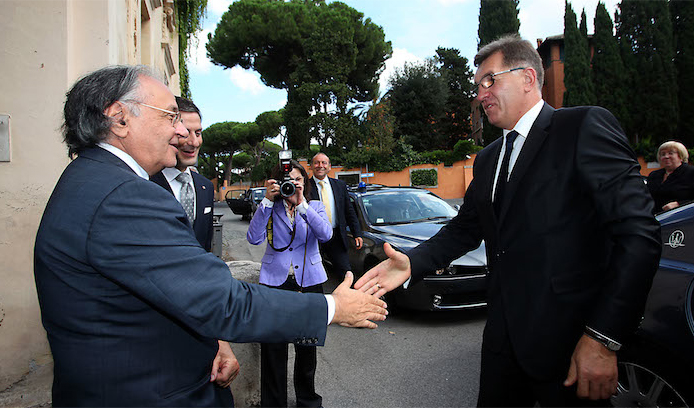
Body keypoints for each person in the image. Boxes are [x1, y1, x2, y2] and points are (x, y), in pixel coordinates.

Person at [33, 65, 387, 407]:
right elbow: (222, 301)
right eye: (169, 116)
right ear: (120, 118)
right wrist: (334, 306)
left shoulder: (91, 178)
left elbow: (172, 289)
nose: (181, 133)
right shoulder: (125, 194)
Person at [355, 35, 661, 406]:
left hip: (571, 346)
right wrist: (413, 262)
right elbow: (465, 228)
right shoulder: (487, 159)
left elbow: (639, 236)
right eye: (477, 86)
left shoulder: (581, 128)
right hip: (502, 344)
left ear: (529, 78)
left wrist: (602, 337)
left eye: (490, 81)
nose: (481, 94)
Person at [150, 96, 240, 393]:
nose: (192, 141)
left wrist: (220, 338)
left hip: (201, 323)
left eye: (198, 132)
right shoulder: (142, 184)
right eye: (184, 131)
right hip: (155, 330)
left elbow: (202, 259)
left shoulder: (204, 186)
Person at [247, 159, 331, 407]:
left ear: (304, 182)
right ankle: (274, 403)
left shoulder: (313, 205)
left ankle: (308, 400)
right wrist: (265, 201)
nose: (292, 184)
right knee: (273, 349)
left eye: (297, 179)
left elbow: (326, 235)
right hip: (275, 282)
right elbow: (253, 238)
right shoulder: (269, 208)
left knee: (307, 347)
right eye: (287, 180)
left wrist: (302, 205)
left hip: (309, 281)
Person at [308, 152, 363, 276]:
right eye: (316, 162)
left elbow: (349, 211)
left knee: (345, 273)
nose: (320, 165)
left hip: (337, 236)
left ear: (329, 167)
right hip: (313, 239)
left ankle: (345, 295)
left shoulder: (339, 185)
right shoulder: (305, 187)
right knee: (314, 275)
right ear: (311, 166)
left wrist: (357, 233)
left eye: (324, 163)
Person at [647, 140, 694, 214]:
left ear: (680, 156)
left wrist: (679, 204)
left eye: (670, 153)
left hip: (681, 219)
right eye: (663, 154)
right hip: (654, 219)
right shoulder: (654, 175)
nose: (666, 157)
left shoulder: (690, 172)